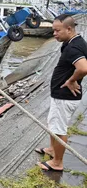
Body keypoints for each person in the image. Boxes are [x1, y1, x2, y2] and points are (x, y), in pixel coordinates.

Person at [36, 14, 87, 171]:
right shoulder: (72, 42)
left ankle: (57, 163)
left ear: (69, 29)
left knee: (59, 129)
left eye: (57, 31)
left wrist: (71, 81)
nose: (54, 34)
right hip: (60, 94)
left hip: (65, 96)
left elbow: (83, 68)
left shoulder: (73, 47)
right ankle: (53, 150)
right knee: (53, 124)